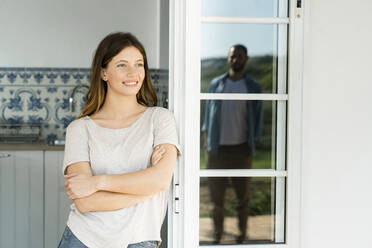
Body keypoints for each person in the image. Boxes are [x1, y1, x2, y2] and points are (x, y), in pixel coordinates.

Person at [58, 32, 181, 248]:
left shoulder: (160, 119)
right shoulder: (79, 129)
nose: (133, 73)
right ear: (104, 73)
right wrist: (146, 186)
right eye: (122, 65)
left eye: (139, 64)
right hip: (82, 238)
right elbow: (86, 202)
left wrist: (97, 182)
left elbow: (161, 180)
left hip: (139, 240)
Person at [202, 44, 263, 244]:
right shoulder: (216, 84)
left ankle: (242, 236)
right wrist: (206, 139)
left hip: (242, 150)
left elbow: (258, 116)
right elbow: (207, 116)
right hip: (217, 150)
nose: (235, 59)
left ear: (246, 59)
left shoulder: (253, 87)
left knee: (242, 199)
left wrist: (254, 141)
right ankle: (218, 236)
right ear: (228, 59)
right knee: (215, 200)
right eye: (232, 56)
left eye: (239, 56)